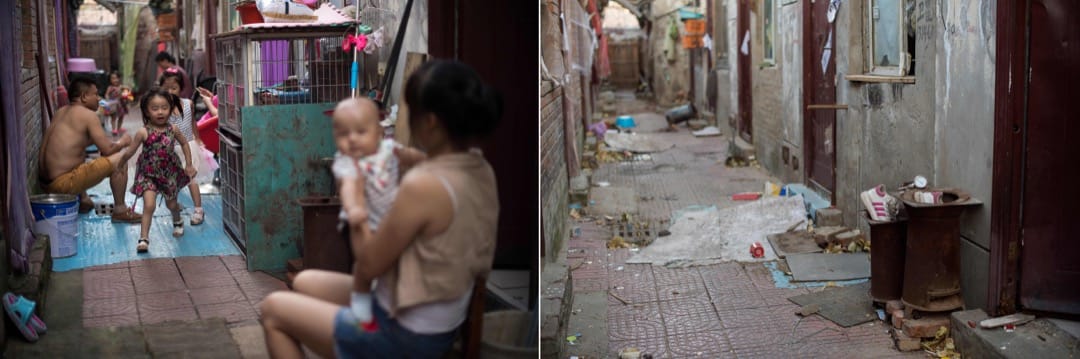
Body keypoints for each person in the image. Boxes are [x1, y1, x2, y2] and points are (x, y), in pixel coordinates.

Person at [260, 60, 503, 358]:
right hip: (436, 310)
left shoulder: (424, 185)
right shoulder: (479, 168)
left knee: (273, 310)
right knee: (306, 281)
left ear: (430, 122)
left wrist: (356, 202)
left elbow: (369, 262)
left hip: (406, 334)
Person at [38, 77, 141, 222]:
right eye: (95, 94)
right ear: (84, 96)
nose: (99, 98)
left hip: (45, 185)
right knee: (120, 158)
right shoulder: (88, 115)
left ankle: (83, 199)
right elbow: (108, 150)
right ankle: (120, 211)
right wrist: (123, 142)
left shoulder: (61, 112)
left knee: (81, 157)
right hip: (61, 185)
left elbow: (74, 148)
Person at [129, 88, 196, 252]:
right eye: (155, 108)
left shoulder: (173, 129)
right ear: (146, 111)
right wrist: (121, 163)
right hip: (148, 174)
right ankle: (144, 238)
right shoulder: (143, 132)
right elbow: (130, 151)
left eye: (164, 108)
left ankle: (177, 219)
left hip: (169, 173)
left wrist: (189, 164)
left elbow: (185, 143)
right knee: (149, 205)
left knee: (171, 204)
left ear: (170, 109)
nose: (160, 112)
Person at [160, 69, 215, 224]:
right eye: (166, 88)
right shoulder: (161, 108)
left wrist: (197, 139)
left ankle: (198, 210)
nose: (170, 91)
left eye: (174, 88)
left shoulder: (188, 103)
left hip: (188, 147)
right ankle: (175, 205)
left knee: (192, 178)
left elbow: (192, 123)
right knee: (172, 181)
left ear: (181, 88)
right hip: (171, 149)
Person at [104, 71, 132, 136]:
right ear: (110, 80)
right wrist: (107, 99)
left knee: (121, 117)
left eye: (116, 78)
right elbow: (106, 94)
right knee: (113, 117)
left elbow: (127, 91)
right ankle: (114, 129)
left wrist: (127, 91)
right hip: (113, 104)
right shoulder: (110, 88)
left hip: (121, 104)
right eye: (113, 78)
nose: (115, 80)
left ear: (119, 78)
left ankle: (119, 128)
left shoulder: (121, 87)